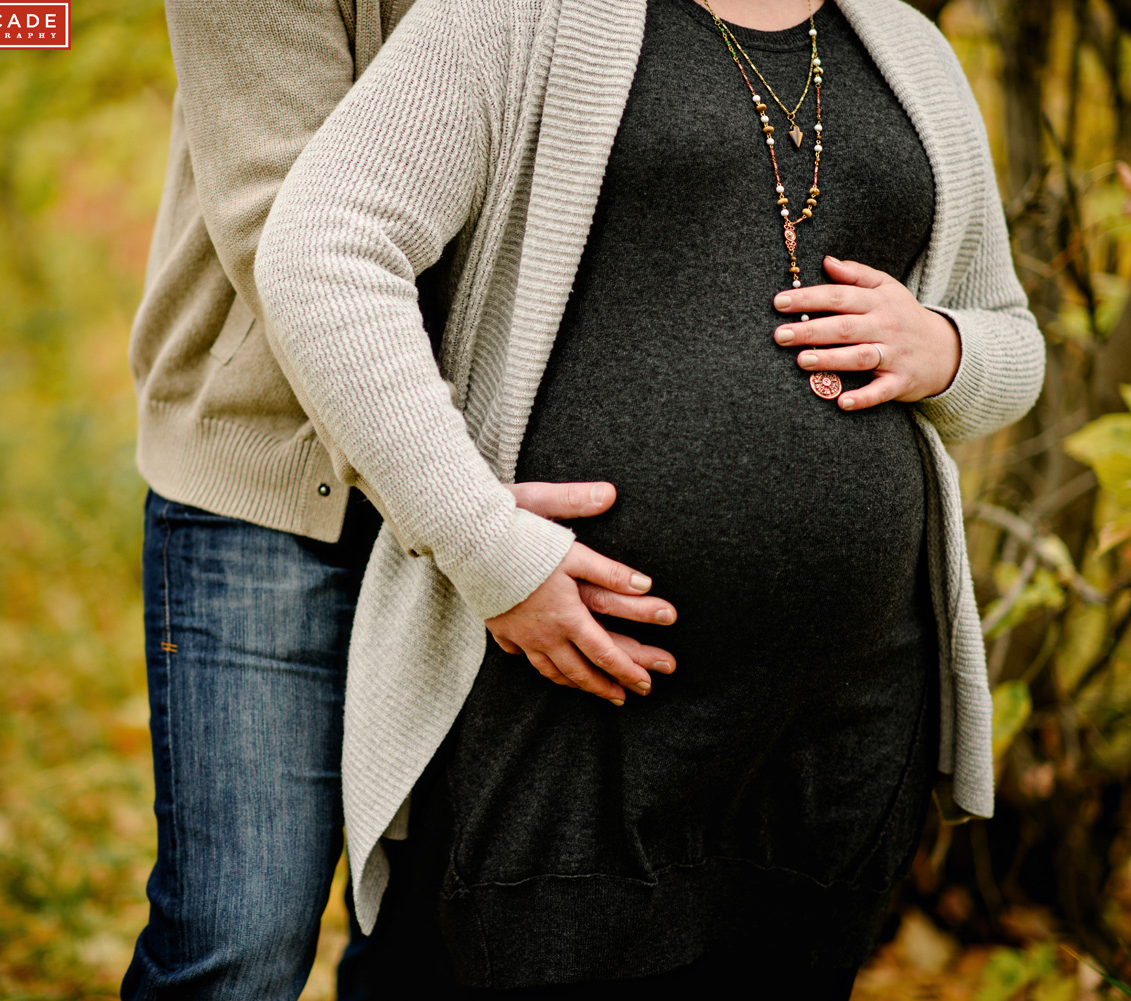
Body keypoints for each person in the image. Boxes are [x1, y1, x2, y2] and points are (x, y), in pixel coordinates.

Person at [253, 0, 1044, 993]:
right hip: (580, 699)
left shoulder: (906, 48)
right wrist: (483, 541)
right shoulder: (517, 16)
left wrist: (949, 348)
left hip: (837, 729)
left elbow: (1013, 340)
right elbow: (322, 249)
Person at [120, 2, 676, 997]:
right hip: (272, 491)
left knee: (437, 933)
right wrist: (462, 511)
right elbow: (284, 235)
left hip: (510, 492)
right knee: (236, 942)